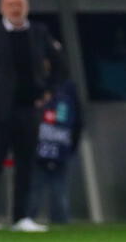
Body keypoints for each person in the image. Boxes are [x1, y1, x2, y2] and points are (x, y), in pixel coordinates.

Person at [0, 0, 63, 233]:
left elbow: (60, 65)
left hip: (28, 109)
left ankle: (21, 217)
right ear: (2, 8)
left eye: (19, 4)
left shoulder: (40, 32)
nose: (15, 9)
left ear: (26, 7)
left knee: (26, 165)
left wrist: (48, 91)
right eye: (10, 4)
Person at [28, 62, 82, 224]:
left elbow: (78, 120)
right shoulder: (34, 85)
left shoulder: (68, 88)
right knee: (34, 191)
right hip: (37, 149)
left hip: (61, 149)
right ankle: (26, 221)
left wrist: (72, 145)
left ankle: (60, 225)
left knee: (59, 192)